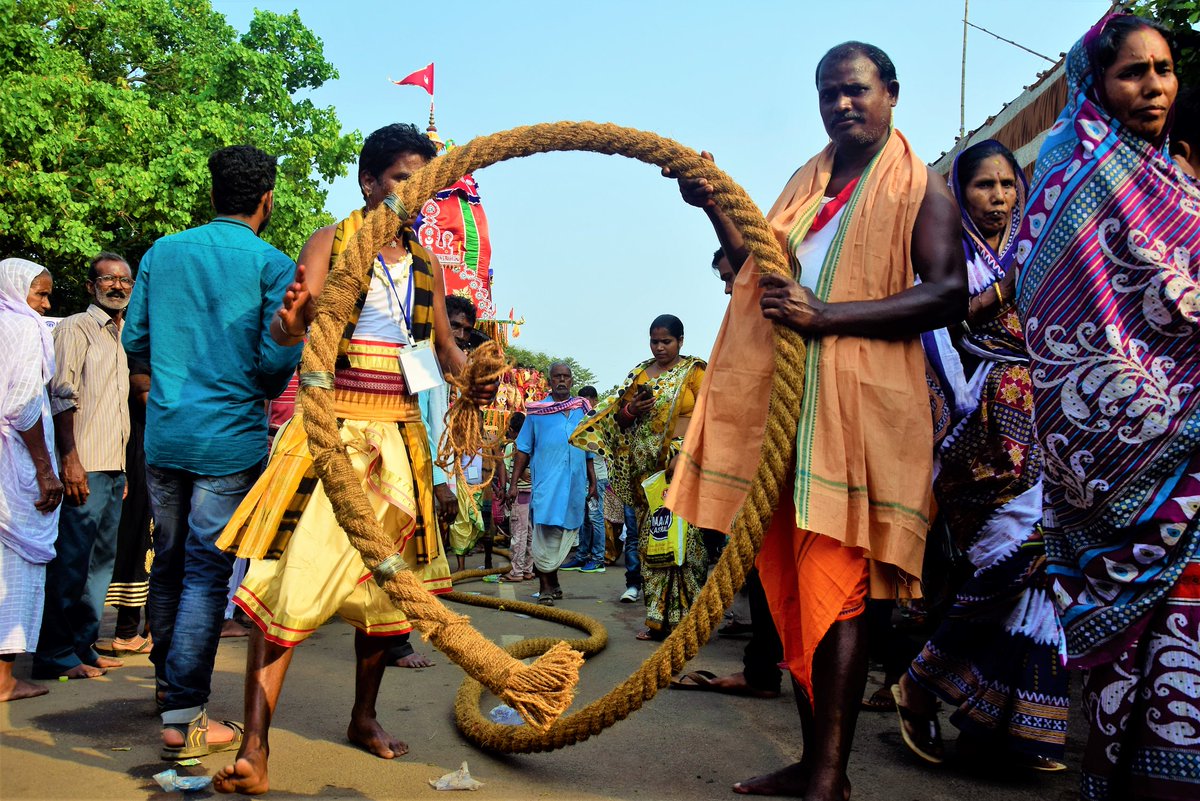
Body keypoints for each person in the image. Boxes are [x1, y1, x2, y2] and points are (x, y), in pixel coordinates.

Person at [665, 42, 966, 799]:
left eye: (857, 91)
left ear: (891, 93)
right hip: (786, 410)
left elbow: (947, 293)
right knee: (790, 585)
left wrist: (829, 316)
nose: (842, 106)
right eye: (829, 94)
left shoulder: (922, 188)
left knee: (837, 587)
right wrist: (711, 205)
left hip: (861, 414)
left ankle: (828, 773)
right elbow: (754, 274)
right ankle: (811, 759)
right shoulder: (806, 186)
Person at [213, 123, 494, 796]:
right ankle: (255, 748)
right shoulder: (330, 242)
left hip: (399, 440)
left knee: (386, 592)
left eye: (425, 180)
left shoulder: (426, 266)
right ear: (368, 183)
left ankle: (363, 716)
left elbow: (444, 361)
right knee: (287, 581)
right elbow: (290, 324)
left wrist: (475, 375)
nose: (415, 190)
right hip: (330, 433)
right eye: (403, 176)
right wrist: (290, 320)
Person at [1015, 16, 1199, 801]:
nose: (1153, 86)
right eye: (1133, 72)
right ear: (1096, 79)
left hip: (1189, 449)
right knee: (1140, 634)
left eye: (1163, 69)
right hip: (1124, 440)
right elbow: (1057, 301)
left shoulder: (1179, 179)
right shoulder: (1071, 171)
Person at [893, 140, 1070, 771]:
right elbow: (940, 323)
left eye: (1006, 186)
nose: (997, 199)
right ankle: (919, 683)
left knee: (1040, 579)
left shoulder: (1039, 249)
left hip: (1045, 434)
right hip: (974, 436)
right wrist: (1002, 294)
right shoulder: (946, 256)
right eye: (981, 187)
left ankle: (997, 726)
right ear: (958, 194)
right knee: (1011, 561)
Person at [123, 145, 303, 759]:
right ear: (266, 199)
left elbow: (136, 337)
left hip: (166, 433)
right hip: (229, 438)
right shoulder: (272, 264)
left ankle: (168, 692)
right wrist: (258, 387)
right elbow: (279, 356)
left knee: (167, 564)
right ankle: (183, 719)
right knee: (204, 575)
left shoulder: (162, 253)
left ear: (211, 194)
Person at [572, 315, 708, 640]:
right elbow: (618, 420)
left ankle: (688, 621)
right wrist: (632, 408)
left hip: (684, 469)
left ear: (681, 341)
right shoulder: (640, 374)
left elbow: (709, 416)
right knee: (652, 543)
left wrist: (685, 455)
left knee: (687, 544)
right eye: (654, 341)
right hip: (647, 476)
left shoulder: (695, 372)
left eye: (667, 342)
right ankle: (657, 618)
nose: (660, 348)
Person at [33, 253, 133, 680]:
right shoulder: (76, 327)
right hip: (84, 463)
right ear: (91, 286)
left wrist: (123, 470)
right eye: (108, 280)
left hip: (114, 466)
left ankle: (82, 647)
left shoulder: (123, 333)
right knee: (72, 560)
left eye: (125, 280)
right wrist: (70, 461)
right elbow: (61, 395)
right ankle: (54, 653)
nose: (118, 286)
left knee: (99, 564)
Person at [0, 259, 63, 703]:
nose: (44, 304)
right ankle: (4, 679)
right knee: (17, 565)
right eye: (39, 295)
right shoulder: (21, 329)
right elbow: (21, 406)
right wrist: (45, 468)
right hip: (16, 466)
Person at [507, 362, 596, 607]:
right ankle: (545, 587)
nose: (562, 380)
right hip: (547, 484)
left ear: (571, 380)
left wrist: (593, 480)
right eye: (557, 376)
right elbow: (523, 450)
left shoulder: (582, 411)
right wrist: (513, 484)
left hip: (575, 484)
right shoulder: (537, 413)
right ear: (549, 380)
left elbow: (588, 449)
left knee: (564, 532)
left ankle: (553, 580)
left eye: (566, 376)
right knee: (545, 533)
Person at [97, 360, 153, 657]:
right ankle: (128, 631)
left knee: (150, 540)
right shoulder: (140, 351)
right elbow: (142, 391)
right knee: (141, 538)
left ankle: (142, 629)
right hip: (144, 452)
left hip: (144, 451)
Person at [564, 385, 608, 574]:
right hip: (585, 478)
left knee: (595, 518)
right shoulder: (584, 420)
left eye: (585, 402)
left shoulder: (599, 420)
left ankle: (598, 559)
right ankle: (582, 555)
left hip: (597, 479)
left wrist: (593, 484)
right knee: (584, 519)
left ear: (593, 400)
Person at [496, 412, 533, 582]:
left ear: (511, 430)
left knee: (518, 532)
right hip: (531, 493)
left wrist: (507, 488)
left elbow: (506, 469)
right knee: (528, 532)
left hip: (518, 493)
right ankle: (527, 569)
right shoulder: (532, 444)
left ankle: (516, 571)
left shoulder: (514, 446)